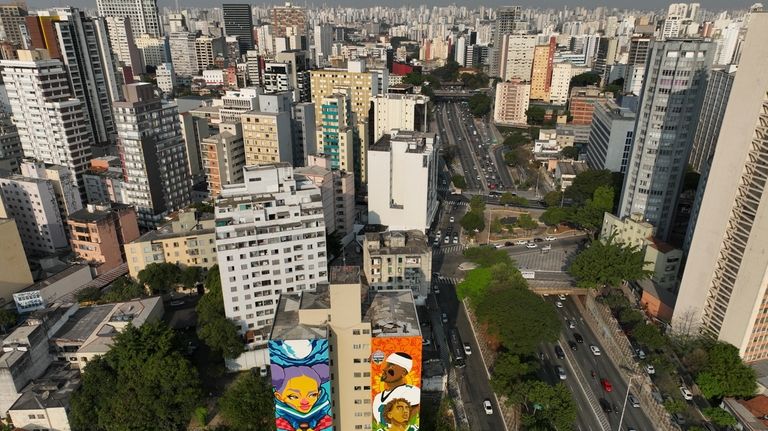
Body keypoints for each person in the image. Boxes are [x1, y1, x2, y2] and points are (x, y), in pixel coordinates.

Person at [272, 364, 333, 431]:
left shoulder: (327, 421)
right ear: (279, 397)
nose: (305, 402)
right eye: (294, 396)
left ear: (319, 395)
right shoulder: (281, 423)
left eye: (312, 395)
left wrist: (313, 424)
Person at [373, 352, 420, 426]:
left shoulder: (411, 391)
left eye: (390, 366)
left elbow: (409, 422)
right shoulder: (378, 397)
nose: (384, 369)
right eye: (386, 365)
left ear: (403, 372)